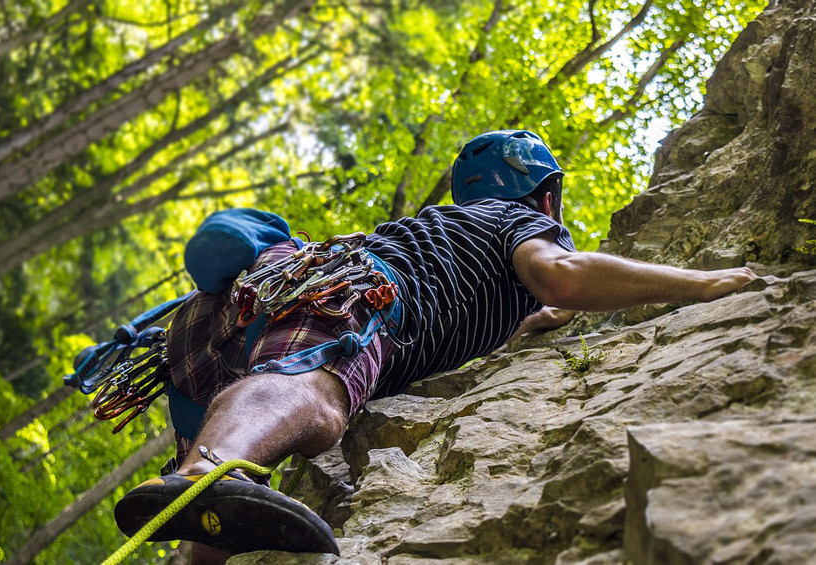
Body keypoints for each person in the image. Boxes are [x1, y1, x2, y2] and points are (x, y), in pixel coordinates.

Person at [114, 130, 756, 563]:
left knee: (220, 498)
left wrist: (545, 317)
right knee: (317, 389)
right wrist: (706, 283)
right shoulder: (520, 222)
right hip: (355, 291)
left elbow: (536, 309)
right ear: (546, 196)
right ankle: (205, 472)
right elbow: (561, 275)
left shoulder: (452, 236)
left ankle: (201, 502)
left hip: (211, 328)